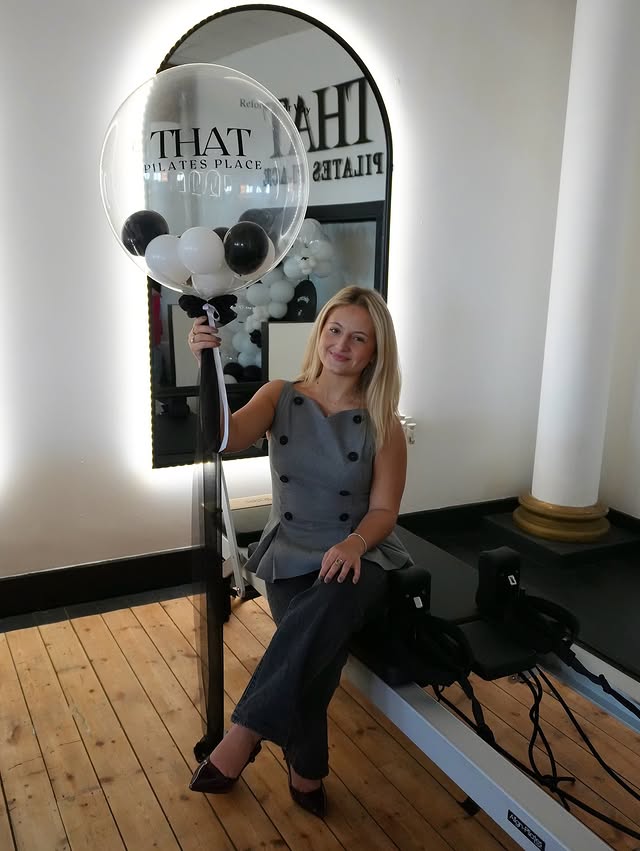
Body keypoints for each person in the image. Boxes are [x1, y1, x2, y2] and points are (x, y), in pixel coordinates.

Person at [186, 285, 413, 819]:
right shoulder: (280, 395)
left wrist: (354, 543)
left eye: (359, 338)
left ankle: (243, 735)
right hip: (290, 552)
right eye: (335, 330)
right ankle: (305, 766)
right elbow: (224, 437)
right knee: (312, 652)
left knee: (323, 613)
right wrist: (207, 363)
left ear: (375, 352)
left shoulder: (384, 420)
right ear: (320, 333)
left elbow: (384, 511)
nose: (342, 345)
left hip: (361, 553)